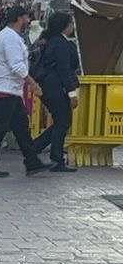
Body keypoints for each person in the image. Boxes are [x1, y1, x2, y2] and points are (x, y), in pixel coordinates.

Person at [0, 5, 50, 178]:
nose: (28, 21)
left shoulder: (7, 36)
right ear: (19, 18)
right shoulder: (10, 38)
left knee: (21, 128)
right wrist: (33, 83)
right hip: (6, 89)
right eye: (26, 17)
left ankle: (31, 161)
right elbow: (16, 65)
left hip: (10, 89)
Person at [32, 11, 80, 173]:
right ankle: (55, 158)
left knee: (62, 121)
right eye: (71, 23)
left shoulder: (51, 41)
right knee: (63, 121)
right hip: (55, 88)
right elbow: (64, 70)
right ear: (64, 26)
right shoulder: (60, 44)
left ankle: (35, 148)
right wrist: (72, 94)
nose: (72, 26)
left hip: (49, 87)